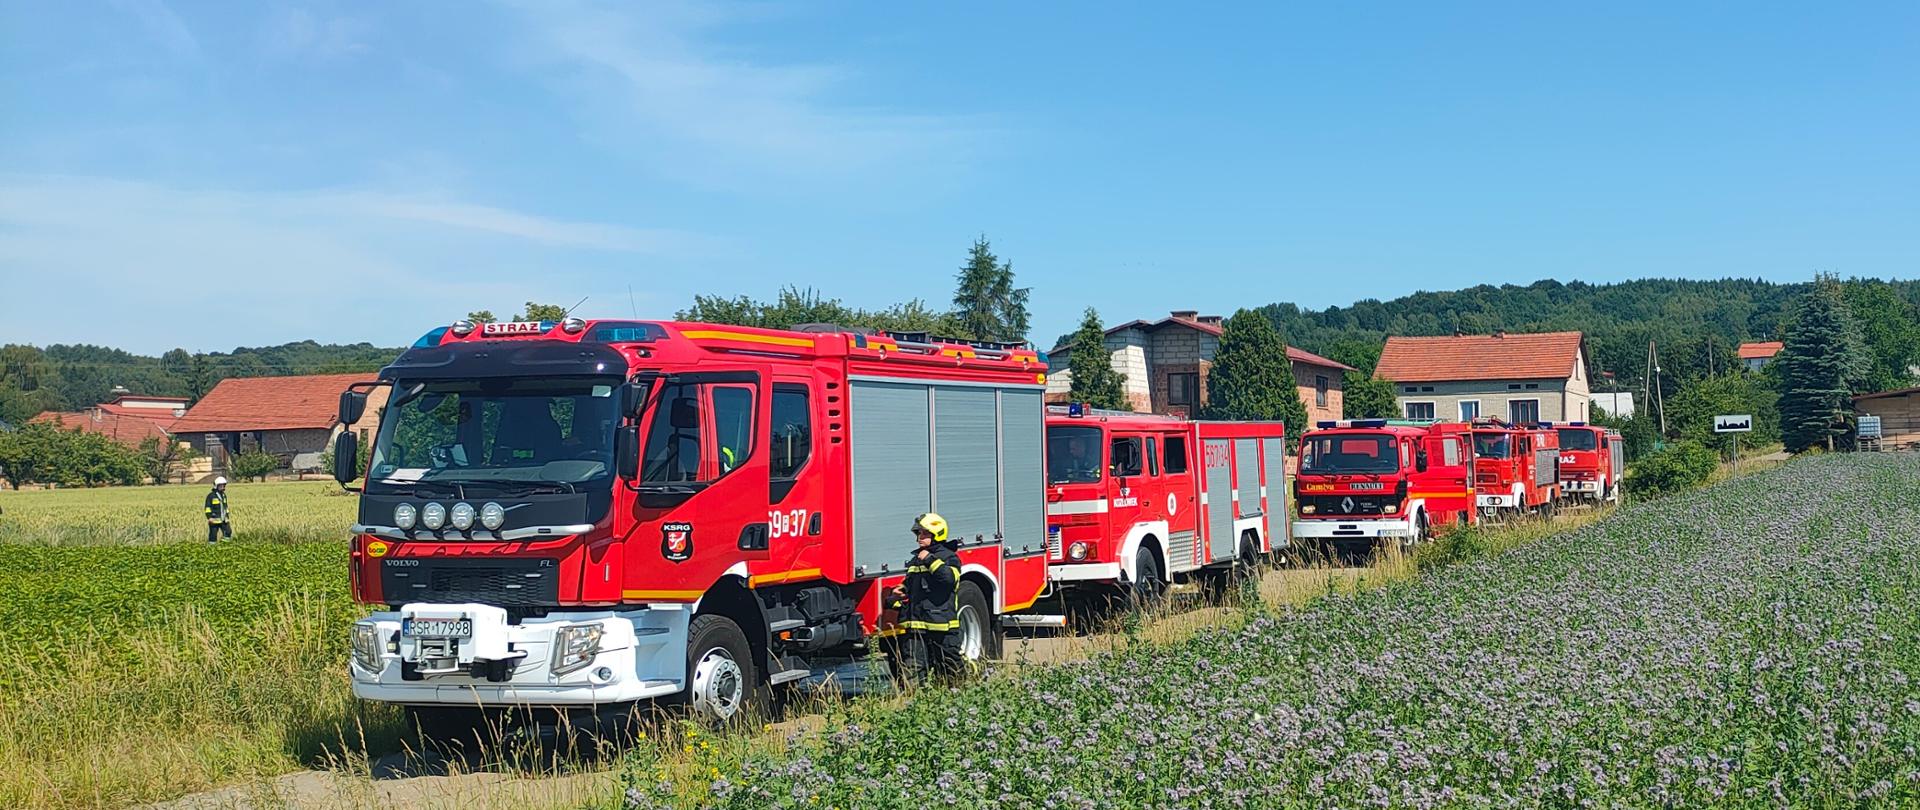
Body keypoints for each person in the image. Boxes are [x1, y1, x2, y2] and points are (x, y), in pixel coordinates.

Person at [890, 513, 963, 682]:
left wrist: (930, 560)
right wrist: (901, 591)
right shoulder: (916, 559)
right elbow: (911, 584)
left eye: (923, 534)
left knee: (949, 666)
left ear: (937, 534)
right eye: (918, 534)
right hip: (916, 624)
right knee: (913, 668)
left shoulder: (948, 557)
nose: (919, 539)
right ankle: (915, 703)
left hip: (942, 625)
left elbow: (949, 580)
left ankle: (958, 698)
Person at [205, 476, 233, 543]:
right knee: (213, 535)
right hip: (214, 520)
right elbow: (207, 508)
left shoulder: (223, 495)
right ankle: (212, 549)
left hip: (223, 519)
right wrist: (209, 517)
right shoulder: (211, 496)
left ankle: (225, 546)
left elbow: (225, 506)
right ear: (216, 486)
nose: (223, 487)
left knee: (228, 532)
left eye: (224, 485)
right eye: (221, 486)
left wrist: (227, 516)